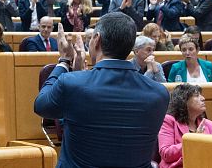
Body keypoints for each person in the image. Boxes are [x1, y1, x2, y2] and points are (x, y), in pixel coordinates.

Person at [35, 12, 169, 166]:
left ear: (97, 39)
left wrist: (64, 61)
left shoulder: (71, 83)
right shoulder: (159, 94)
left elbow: (41, 105)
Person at [158, 83, 212, 168]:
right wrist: (192, 141)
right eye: (197, 96)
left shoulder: (209, 124)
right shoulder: (169, 120)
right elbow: (166, 154)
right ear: (184, 100)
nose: (203, 98)